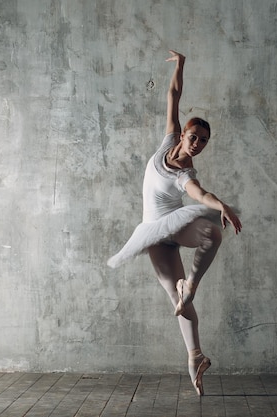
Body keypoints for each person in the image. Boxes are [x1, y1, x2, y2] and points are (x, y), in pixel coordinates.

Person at [108, 50, 242, 396]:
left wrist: (222, 203)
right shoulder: (167, 140)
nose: (198, 145)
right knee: (177, 302)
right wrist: (181, 64)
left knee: (212, 231)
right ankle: (195, 356)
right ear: (183, 134)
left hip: (174, 225)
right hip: (153, 234)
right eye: (194, 137)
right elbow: (173, 96)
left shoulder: (185, 174)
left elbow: (199, 194)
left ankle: (192, 282)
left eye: (203, 142)